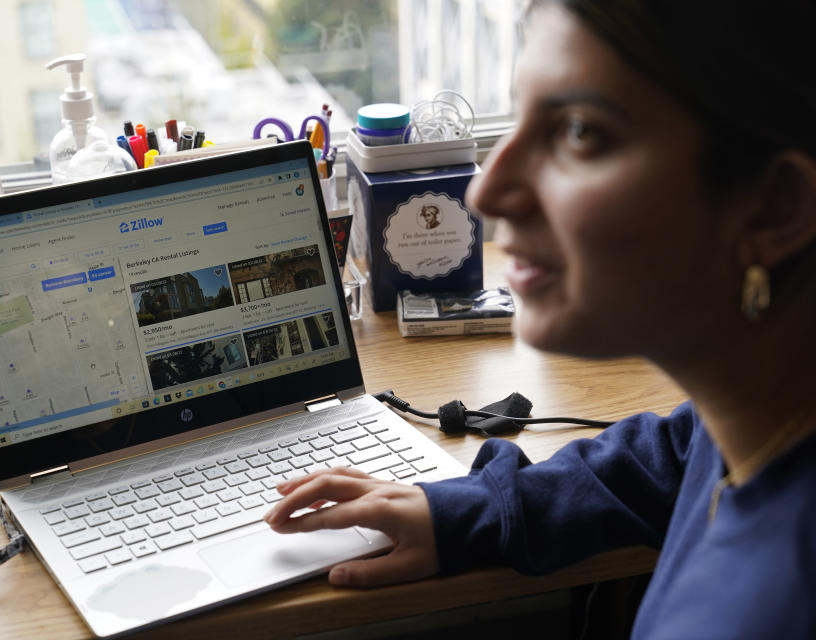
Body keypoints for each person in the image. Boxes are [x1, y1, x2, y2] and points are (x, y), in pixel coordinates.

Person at [264, 1, 816, 637]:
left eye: (579, 132)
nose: (485, 192)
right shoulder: (762, 408)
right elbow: (678, 453)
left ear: (774, 209)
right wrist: (468, 510)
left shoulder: (774, 609)